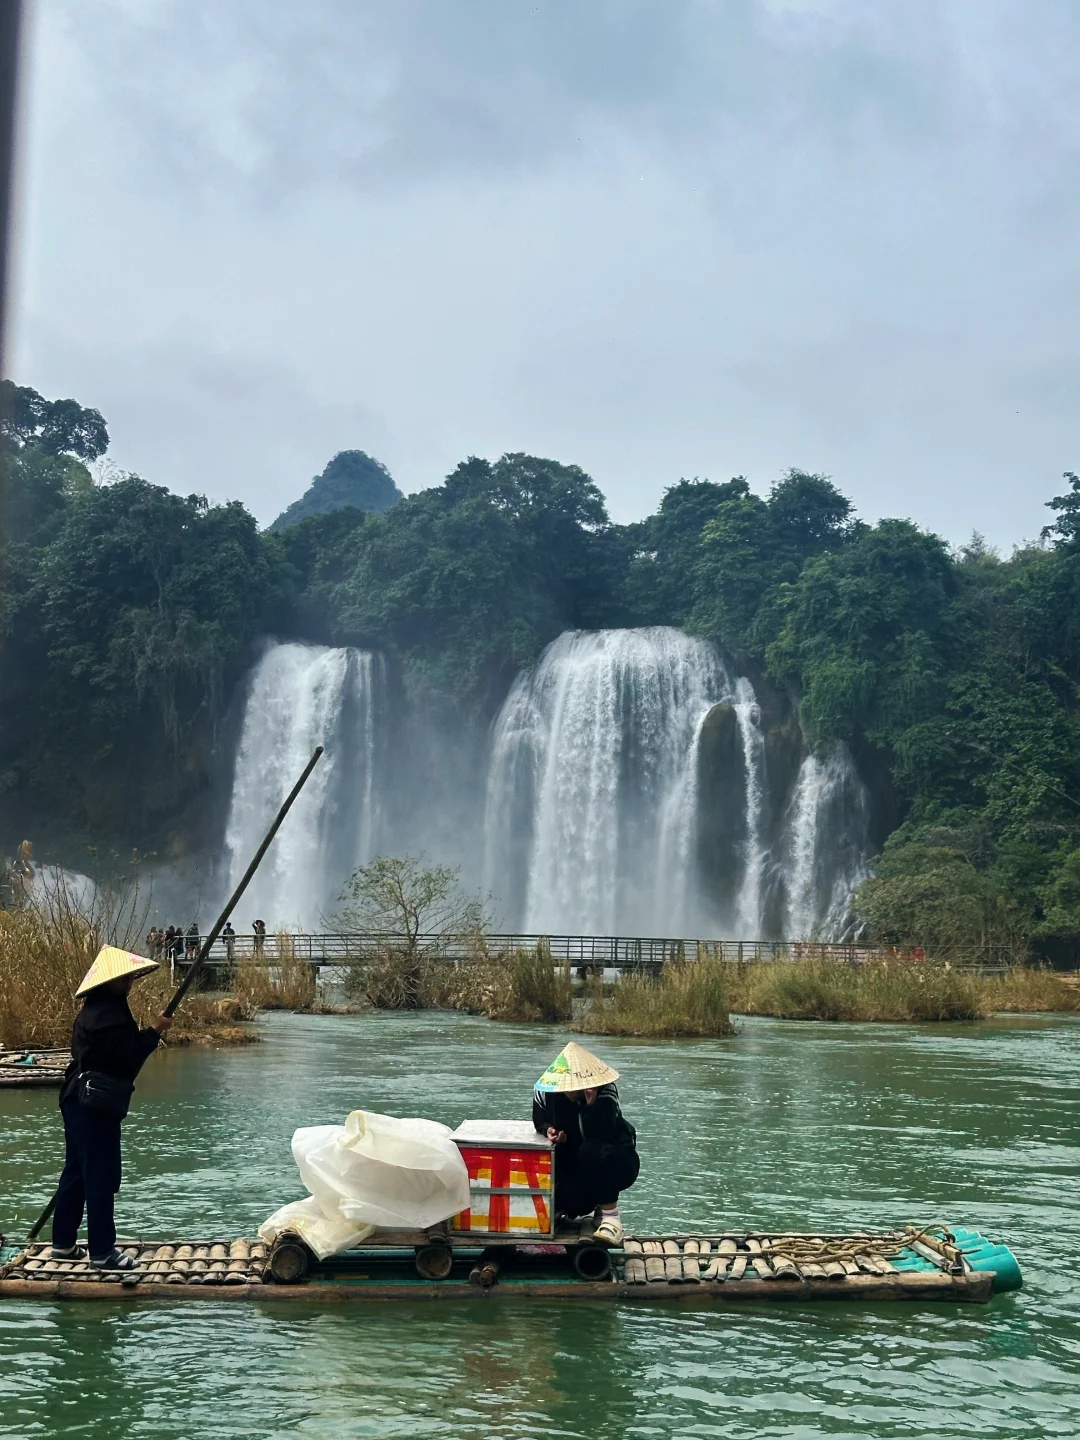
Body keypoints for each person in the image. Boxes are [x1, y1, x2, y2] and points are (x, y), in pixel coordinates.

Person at [50, 946, 173, 1270]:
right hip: (93, 1104)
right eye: (124, 977)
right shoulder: (109, 1013)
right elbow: (126, 1056)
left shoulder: (96, 1009)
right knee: (101, 1175)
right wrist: (155, 1031)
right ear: (110, 981)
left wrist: (147, 1033)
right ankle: (102, 1253)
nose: (130, 980)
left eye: (130, 975)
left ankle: (63, 1244)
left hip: (77, 1099)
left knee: (76, 1172)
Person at [531, 1041, 639, 1247]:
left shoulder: (605, 1092)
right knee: (570, 1201)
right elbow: (539, 1121)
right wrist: (549, 1131)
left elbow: (606, 1132)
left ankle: (610, 1216)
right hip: (574, 1165)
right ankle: (567, 1206)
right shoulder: (545, 1092)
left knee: (592, 1150)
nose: (572, 1093)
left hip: (616, 1162)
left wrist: (591, 1105)